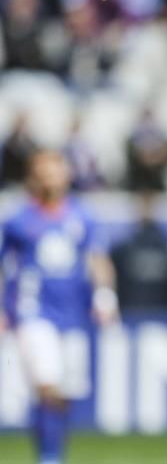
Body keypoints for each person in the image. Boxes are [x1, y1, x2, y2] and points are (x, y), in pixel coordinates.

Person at [0, 149, 118, 464]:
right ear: (34, 176)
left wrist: (105, 295)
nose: (50, 176)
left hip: (73, 315)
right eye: (44, 170)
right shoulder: (18, 221)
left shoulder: (83, 216)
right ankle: (49, 457)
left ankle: (52, 452)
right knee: (47, 384)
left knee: (64, 394)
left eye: (56, 169)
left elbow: (97, 259)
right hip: (33, 313)